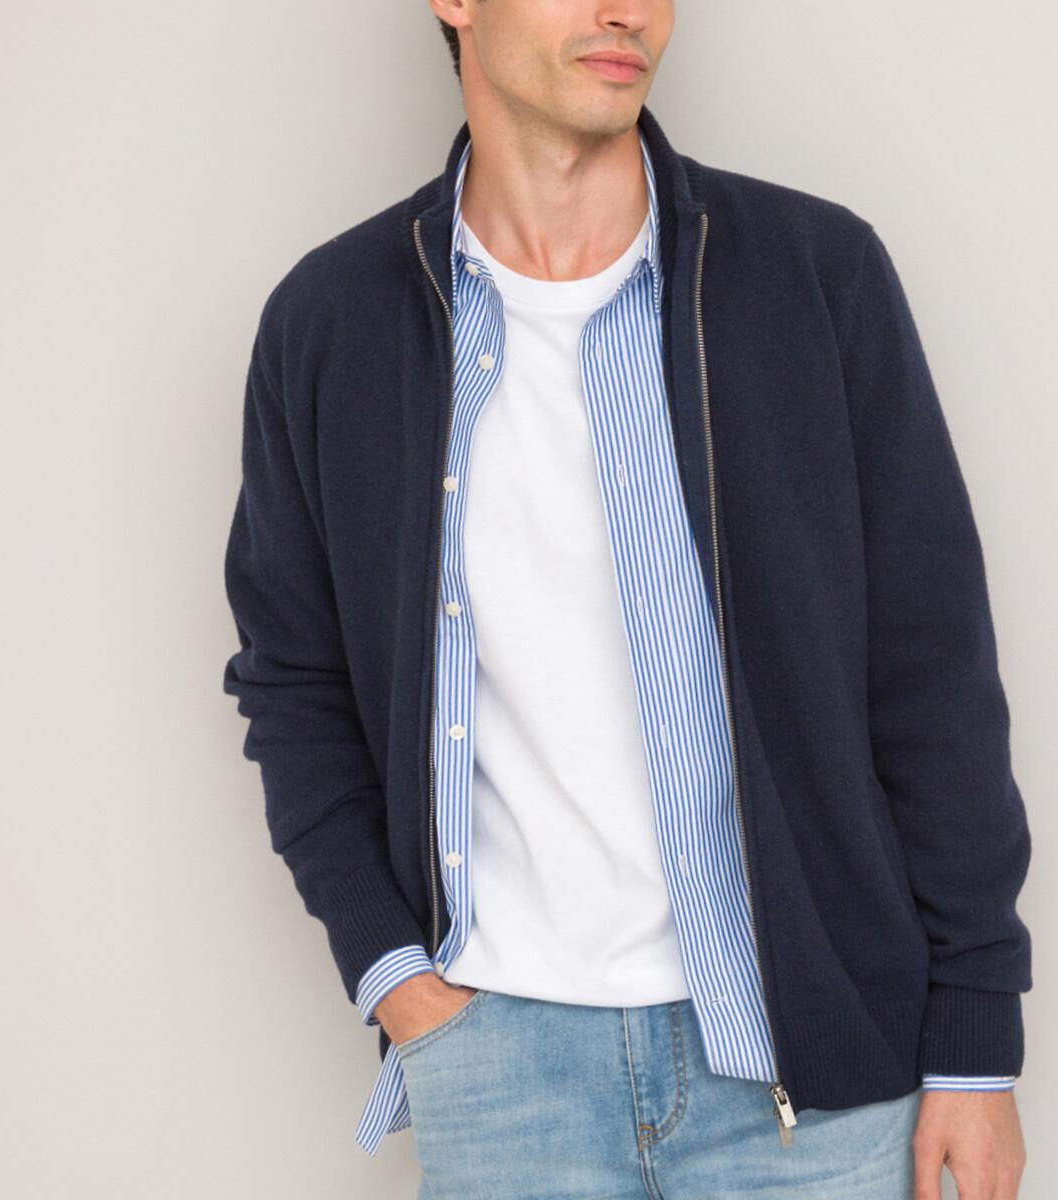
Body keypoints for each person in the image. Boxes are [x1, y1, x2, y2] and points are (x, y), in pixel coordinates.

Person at [221, 2, 1032, 1196]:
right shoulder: (330, 325)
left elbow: (934, 670)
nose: (629, 10)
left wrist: (975, 1038)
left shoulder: (816, 276)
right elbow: (294, 683)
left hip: (807, 1081)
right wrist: (395, 976)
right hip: (502, 1076)